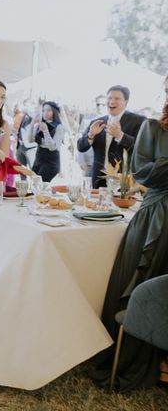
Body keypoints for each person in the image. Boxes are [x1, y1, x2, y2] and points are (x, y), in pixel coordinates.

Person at [93, 78, 168, 390]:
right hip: (156, 219)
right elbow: (142, 172)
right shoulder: (153, 129)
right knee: (139, 284)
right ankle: (131, 358)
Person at [77, 85, 145, 189]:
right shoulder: (97, 122)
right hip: (97, 178)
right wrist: (91, 135)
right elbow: (81, 147)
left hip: (123, 180)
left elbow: (142, 148)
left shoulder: (139, 121)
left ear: (126, 102)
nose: (111, 101)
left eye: (117, 98)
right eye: (109, 98)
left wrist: (120, 136)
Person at [31, 101, 64, 182]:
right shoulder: (40, 125)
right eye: (43, 110)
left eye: (48, 110)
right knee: (34, 185)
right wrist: (32, 124)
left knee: (40, 185)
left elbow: (52, 147)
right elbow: (30, 140)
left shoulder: (59, 127)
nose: (45, 112)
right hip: (38, 159)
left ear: (54, 111)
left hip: (51, 162)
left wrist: (45, 131)